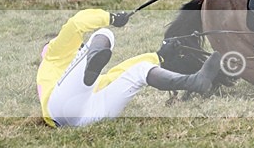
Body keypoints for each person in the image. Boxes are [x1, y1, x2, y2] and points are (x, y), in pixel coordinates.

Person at [36, 8, 221, 128]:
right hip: (57, 106)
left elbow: (121, 71)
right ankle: (93, 57)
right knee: (103, 33)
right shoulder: (54, 55)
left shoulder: (93, 81)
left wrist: (160, 56)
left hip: (87, 117)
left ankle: (194, 81)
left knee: (138, 71)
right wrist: (111, 18)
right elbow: (76, 24)